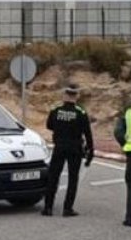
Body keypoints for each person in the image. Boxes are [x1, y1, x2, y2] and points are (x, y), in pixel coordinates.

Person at [41, 85, 95, 217]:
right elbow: (87, 133)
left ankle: (48, 207)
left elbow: (49, 125)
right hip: (75, 148)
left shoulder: (56, 110)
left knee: (53, 177)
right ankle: (67, 208)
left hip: (59, 147)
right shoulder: (80, 112)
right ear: (76, 96)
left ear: (65, 95)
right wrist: (91, 150)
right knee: (72, 178)